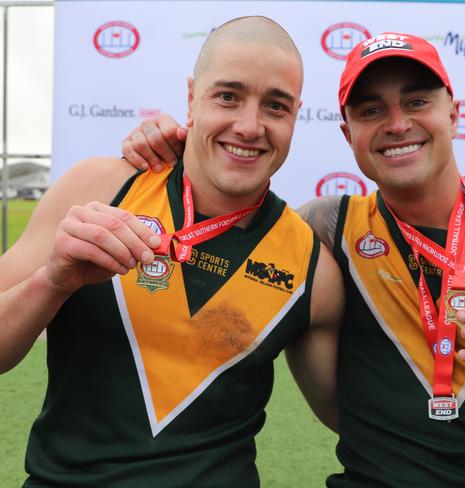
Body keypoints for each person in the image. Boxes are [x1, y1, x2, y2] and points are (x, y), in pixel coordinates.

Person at [123, 32, 465, 487]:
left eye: (416, 101)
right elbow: (218, 206)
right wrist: (171, 145)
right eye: (371, 110)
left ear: (453, 113)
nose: (397, 124)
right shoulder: (323, 231)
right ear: (349, 135)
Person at [0, 16, 343, 487]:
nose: (249, 126)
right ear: (191, 98)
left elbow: (354, 418)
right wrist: (51, 283)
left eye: (275, 106)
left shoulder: (312, 267)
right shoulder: (99, 188)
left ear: (295, 116)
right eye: (228, 96)